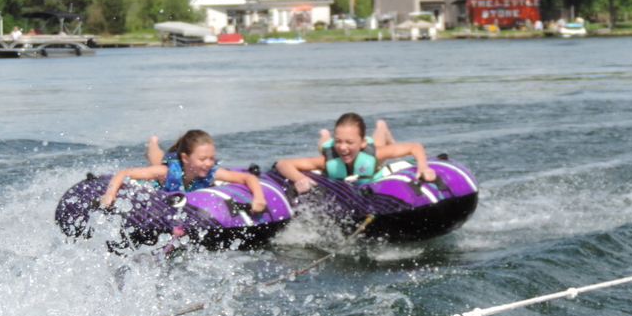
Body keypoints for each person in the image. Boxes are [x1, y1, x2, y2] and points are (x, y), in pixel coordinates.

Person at [100, 129, 267, 212]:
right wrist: (108, 196)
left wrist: (259, 198)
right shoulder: (166, 172)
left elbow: (248, 178)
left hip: (181, 171)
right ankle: (152, 145)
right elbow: (123, 174)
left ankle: (154, 146)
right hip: (163, 179)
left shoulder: (211, 172)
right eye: (203, 159)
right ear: (186, 158)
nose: (209, 163)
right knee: (157, 162)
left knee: (161, 161)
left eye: (211, 158)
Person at [275, 112, 436, 194]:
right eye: (339, 141)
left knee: (378, 140)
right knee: (325, 145)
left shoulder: (374, 154)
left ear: (361, 142)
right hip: (331, 148)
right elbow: (283, 163)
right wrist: (301, 178)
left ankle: (381, 127)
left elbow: (414, 146)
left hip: (368, 150)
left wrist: (423, 167)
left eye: (349, 142)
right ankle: (325, 134)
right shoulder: (329, 159)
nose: (343, 148)